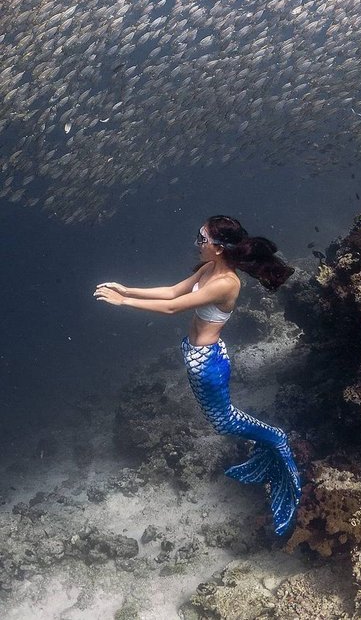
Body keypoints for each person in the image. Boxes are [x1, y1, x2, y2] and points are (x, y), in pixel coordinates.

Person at [94, 215, 302, 536]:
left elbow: (172, 308)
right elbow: (172, 291)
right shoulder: (209, 270)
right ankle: (268, 444)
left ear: (218, 248)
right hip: (197, 356)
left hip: (208, 364)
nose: (198, 244)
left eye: (202, 239)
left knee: (224, 422)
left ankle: (275, 439)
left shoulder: (225, 283)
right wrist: (127, 288)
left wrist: (124, 302)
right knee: (221, 420)